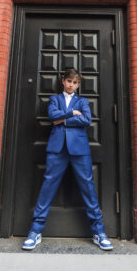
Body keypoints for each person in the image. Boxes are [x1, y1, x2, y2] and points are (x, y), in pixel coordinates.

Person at [22, 68, 113, 251]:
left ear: (78, 85)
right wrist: (72, 114)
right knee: (48, 187)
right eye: (69, 81)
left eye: (75, 82)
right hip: (57, 149)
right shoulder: (55, 99)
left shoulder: (83, 101)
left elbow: (86, 120)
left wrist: (62, 120)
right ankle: (35, 231)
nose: (71, 85)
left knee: (87, 187)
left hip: (79, 150)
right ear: (63, 81)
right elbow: (52, 116)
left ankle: (99, 232)